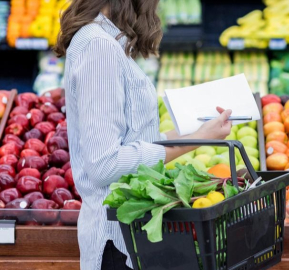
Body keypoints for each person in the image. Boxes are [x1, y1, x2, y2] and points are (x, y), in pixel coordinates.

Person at [54, 1, 232, 269]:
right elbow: (105, 164)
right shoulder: (98, 47)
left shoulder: (105, 41)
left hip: (129, 238)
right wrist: (193, 141)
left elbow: (131, 139)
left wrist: (198, 132)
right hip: (115, 243)